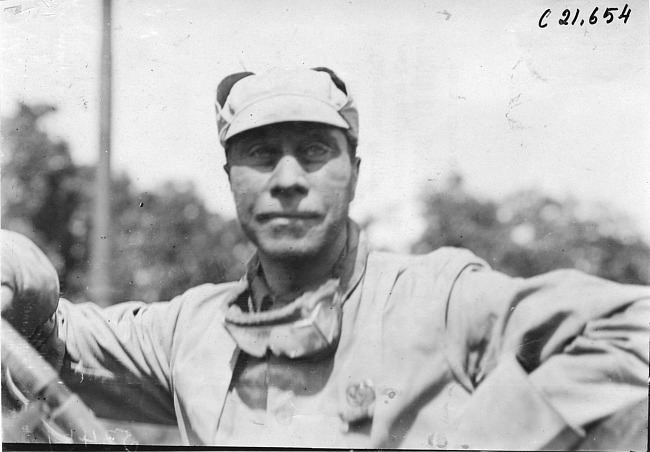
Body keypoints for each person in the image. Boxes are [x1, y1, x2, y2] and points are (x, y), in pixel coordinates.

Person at [1, 67, 649, 449]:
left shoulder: (443, 298)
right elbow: (50, 334)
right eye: (261, 154)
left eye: (313, 152)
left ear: (353, 171)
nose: (288, 178)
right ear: (230, 176)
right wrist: (16, 270)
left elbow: (633, 330)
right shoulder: (189, 332)